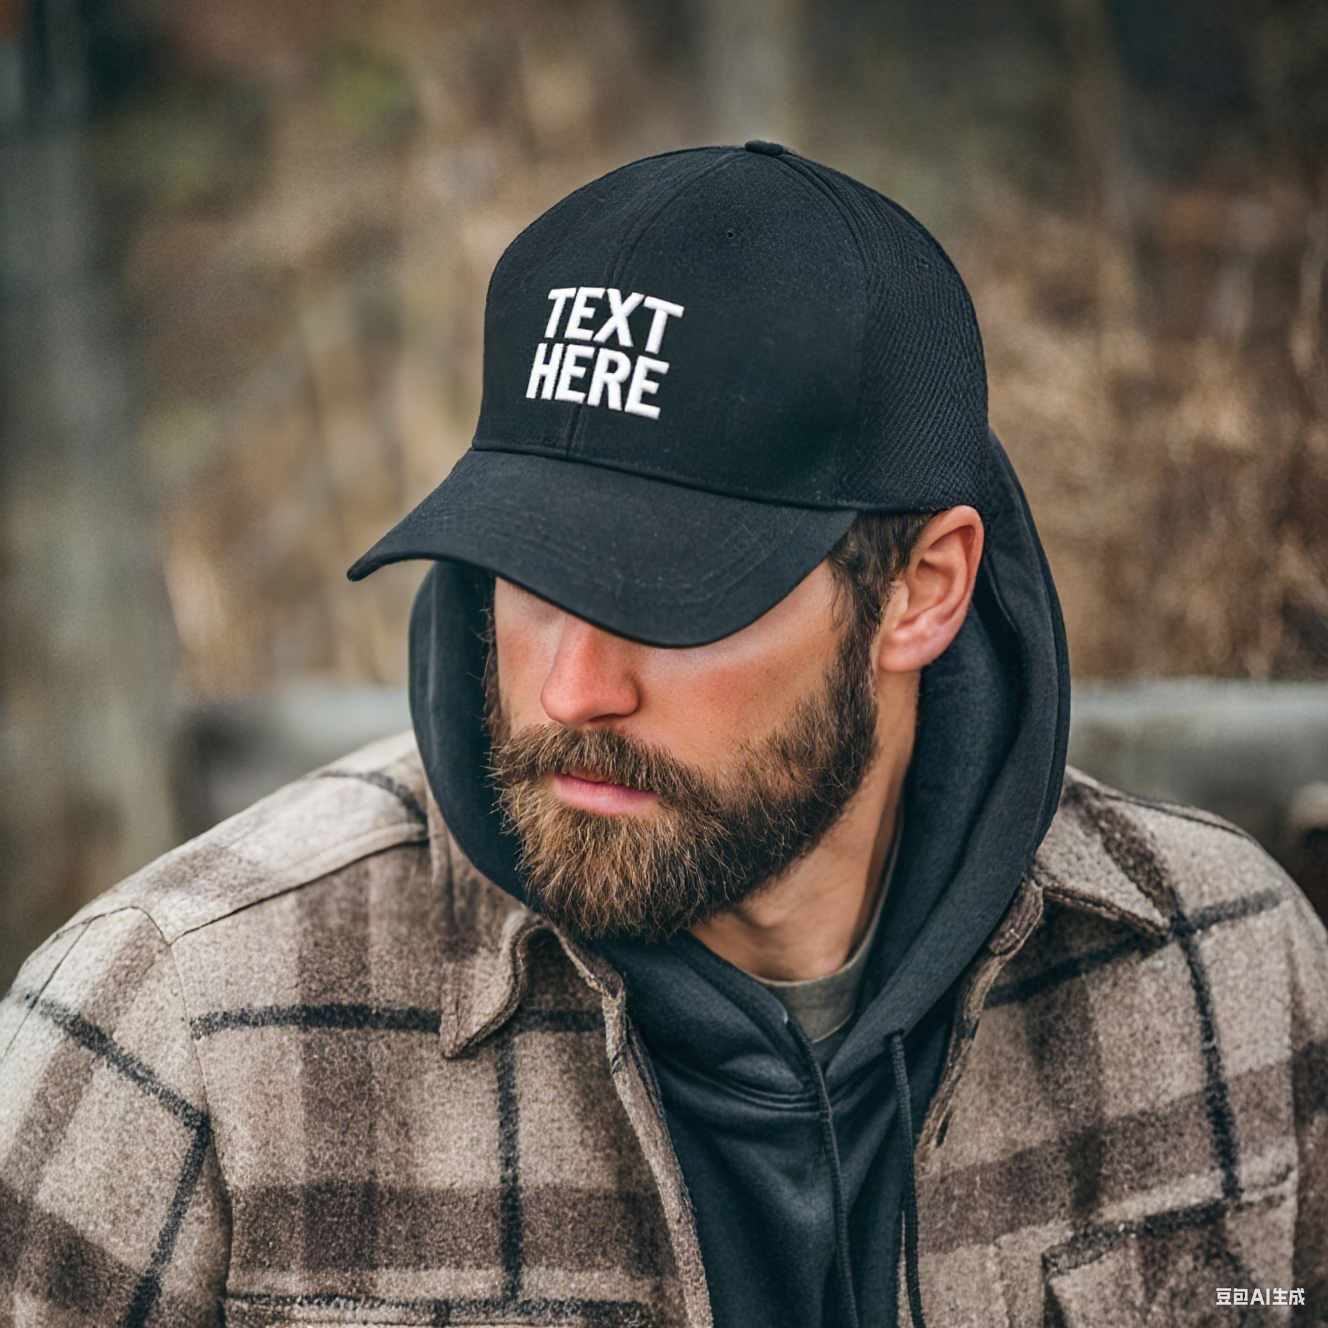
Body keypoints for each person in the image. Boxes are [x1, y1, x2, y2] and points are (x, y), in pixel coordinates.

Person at [1, 143, 1325, 1328]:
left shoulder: (1234, 979)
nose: (571, 689)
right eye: (530, 575)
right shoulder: (176, 1045)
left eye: (670, 599)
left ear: (921, 589)